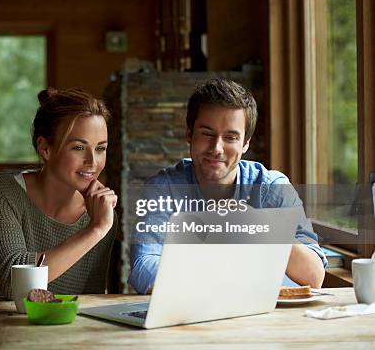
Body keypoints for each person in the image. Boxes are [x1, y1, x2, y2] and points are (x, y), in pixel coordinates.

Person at [0, 88, 118, 348]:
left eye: (101, 149)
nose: (92, 162)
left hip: (57, 342)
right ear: (45, 148)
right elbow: (12, 281)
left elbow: (86, 300)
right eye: (78, 147)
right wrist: (95, 230)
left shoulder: (101, 215)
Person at [129, 77, 327, 294]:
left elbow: (314, 276)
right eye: (207, 134)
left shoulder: (272, 188)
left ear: (245, 143)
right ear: (189, 134)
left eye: (230, 137)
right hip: (189, 313)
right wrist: (212, 287)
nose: (217, 148)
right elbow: (142, 265)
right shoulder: (163, 189)